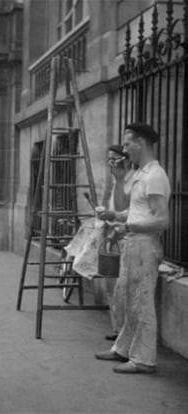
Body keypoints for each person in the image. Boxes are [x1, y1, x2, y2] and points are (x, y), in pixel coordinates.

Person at [95, 123, 170, 374]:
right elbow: (136, 210)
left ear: (140, 143)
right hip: (133, 244)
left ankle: (144, 359)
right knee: (128, 300)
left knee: (142, 302)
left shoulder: (155, 176)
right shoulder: (141, 173)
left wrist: (128, 227)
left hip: (145, 247)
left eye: (127, 144)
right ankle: (123, 349)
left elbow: (162, 219)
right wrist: (117, 216)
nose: (124, 149)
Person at [104, 144, 135, 341]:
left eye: (114, 159)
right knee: (110, 283)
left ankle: (124, 332)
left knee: (122, 289)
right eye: (108, 159)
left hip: (126, 237)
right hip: (112, 236)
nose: (110, 163)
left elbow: (127, 211)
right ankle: (117, 329)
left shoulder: (132, 180)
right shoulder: (117, 180)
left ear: (126, 160)